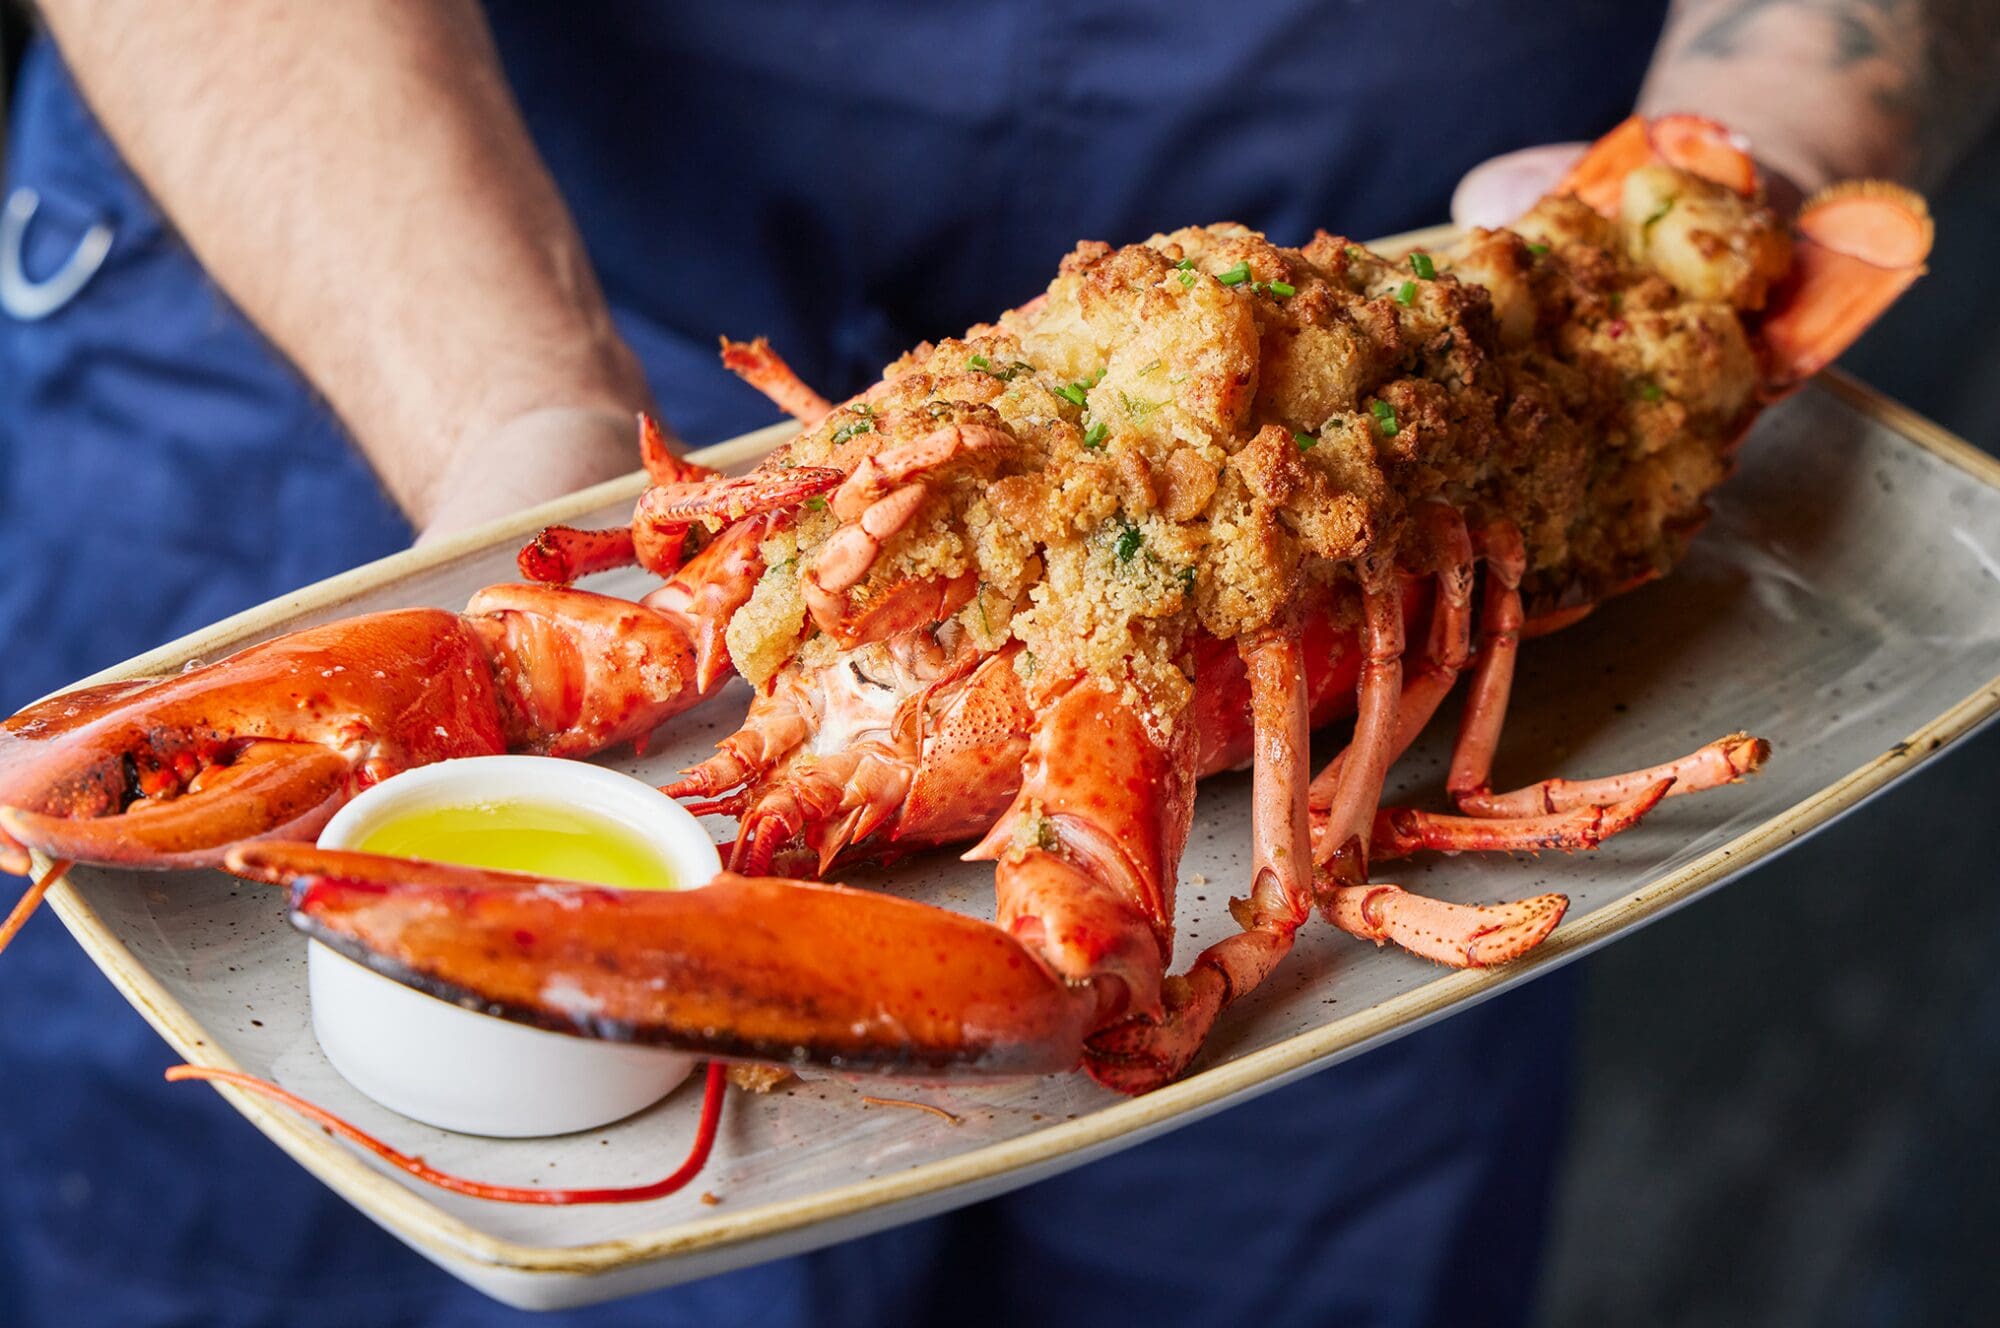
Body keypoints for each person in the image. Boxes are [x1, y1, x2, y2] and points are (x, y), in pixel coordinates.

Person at [0, 3, 1990, 1325]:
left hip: (1447, 197)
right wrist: (507, 463)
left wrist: (1767, 138)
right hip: (407, 228)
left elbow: (1082, 964)